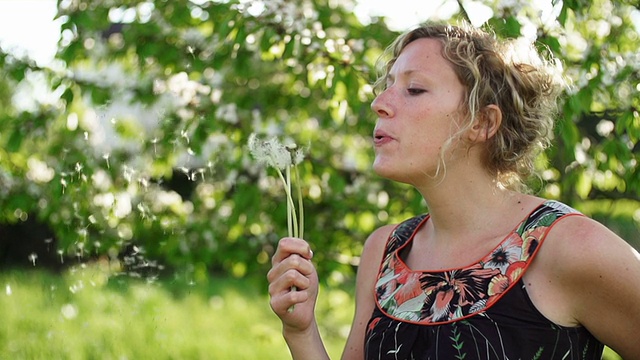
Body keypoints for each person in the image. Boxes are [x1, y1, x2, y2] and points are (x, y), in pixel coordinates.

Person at [267, 21, 640, 360]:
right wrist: (301, 332)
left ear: (482, 122)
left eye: (414, 89)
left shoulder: (570, 247)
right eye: (387, 88)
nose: (379, 104)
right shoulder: (384, 252)